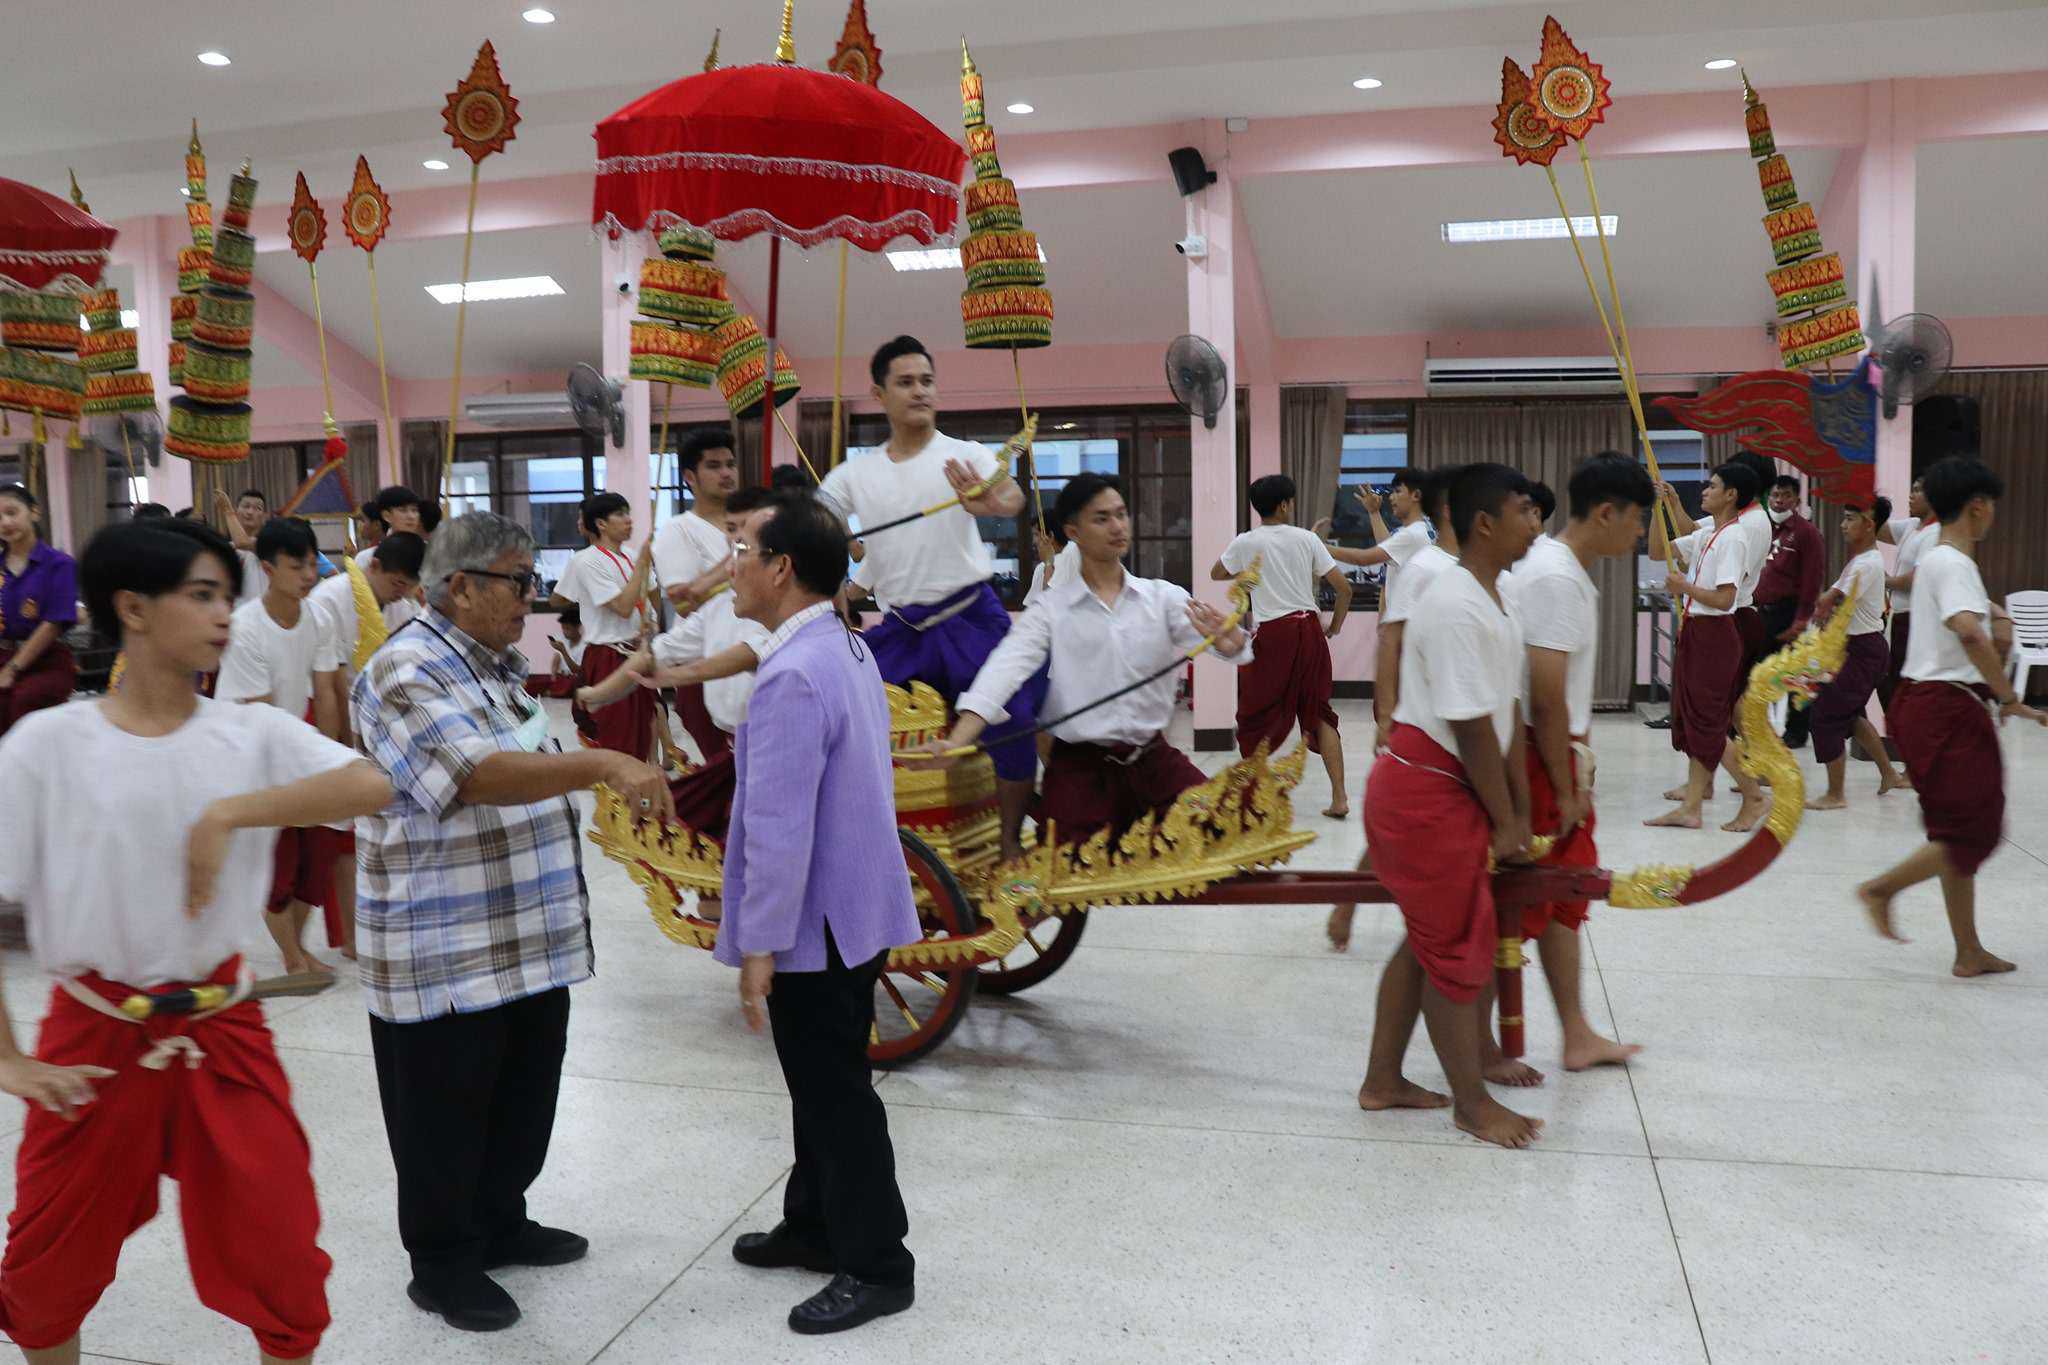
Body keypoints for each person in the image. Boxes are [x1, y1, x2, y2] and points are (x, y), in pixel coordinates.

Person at [0, 516, 394, 1365]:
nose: (225, 614)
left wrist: (232, 811)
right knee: (47, 1263)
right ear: (133, 608)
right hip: (94, 1032)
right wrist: (8, 1057)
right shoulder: (49, 745)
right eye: (203, 594)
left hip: (224, 1025)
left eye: (226, 594)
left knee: (282, 1253)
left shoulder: (247, 735)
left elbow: (371, 782)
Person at [351, 512, 672, 1333]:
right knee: (444, 1113)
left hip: (526, 936)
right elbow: (478, 774)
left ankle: (500, 1219)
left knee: (521, 1096)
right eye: (519, 583)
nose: (531, 599)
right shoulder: (406, 668)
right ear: (460, 586)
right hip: (445, 942)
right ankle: (443, 1262)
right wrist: (603, 761)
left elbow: (524, 753)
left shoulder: (495, 667)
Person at [717, 494, 922, 1335]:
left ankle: (877, 1263)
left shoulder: (793, 673)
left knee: (836, 1094)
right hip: (856, 904)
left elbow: (778, 827)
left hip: (816, 924)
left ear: (781, 568)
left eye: (741, 549)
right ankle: (812, 1223)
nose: (731, 565)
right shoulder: (842, 644)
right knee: (817, 1081)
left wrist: (760, 943)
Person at [1357, 463, 1542, 1150]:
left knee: (1429, 941)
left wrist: (1521, 809)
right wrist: (1506, 820)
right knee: (1455, 950)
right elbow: (1469, 726)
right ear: (1485, 523)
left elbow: (1507, 711)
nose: (1535, 523)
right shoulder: (1455, 602)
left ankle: (1383, 1080)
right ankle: (1471, 1104)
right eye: (1524, 511)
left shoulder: (1498, 597)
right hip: (1426, 790)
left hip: (1453, 783)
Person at [926, 474, 1252, 844]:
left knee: (1229, 831)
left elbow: (1230, 647)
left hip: (1154, 762)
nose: (1117, 526)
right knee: (1065, 871)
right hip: (1081, 771)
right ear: (1073, 532)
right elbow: (1001, 674)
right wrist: (956, 741)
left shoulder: (1163, 598)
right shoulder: (1050, 610)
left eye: (1121, 514)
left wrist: (1231, 642)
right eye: (1101, 518)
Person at [817, 335, 1042, 860]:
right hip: (903, 628)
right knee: (839, 710)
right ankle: (862, 837)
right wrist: (829, 567)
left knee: (1014, 719)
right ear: (879, 394)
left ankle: (1010, 841)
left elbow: (1010, 496)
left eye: (927, 381)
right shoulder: (856, 473)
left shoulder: (964, 454)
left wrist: (991, 501)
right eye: (905, 382)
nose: (920, 391)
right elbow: (817, 516)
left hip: (971, 619)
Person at [1858, 459, 2046, 973]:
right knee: (1974, 831)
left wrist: (1997, 619)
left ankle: (1968, 950)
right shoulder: (1954, 562)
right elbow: (1969, 632)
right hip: (1946, 707)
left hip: (1927, 704)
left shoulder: (1939, 559)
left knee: (1955, 829)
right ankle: (1881, 889)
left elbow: (1975, 620)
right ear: (1978, 506)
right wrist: (2008, 697)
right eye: (1992, 507)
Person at [1510, 454, 1653, 1076]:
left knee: (1564, 890)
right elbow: (1545, 696)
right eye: (1638, 519)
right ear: (1606, 513)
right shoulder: (1555, 577)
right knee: (1543, 888)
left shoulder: (1558, 569)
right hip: (1540, 755)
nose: (1641, 533)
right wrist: (1565, 783)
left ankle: (1576, 1031)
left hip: (1554, 753)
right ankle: (1503, 1039)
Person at [583, 489, 780, 921]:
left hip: (778, 760)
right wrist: (597, 693)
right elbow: (659, 650)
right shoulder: (722, 604)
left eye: (747, 539)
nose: (735, 546)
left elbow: (754, 651)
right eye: (732, 533)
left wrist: (679, 675)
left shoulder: (787, 607)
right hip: (735, 745)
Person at [1325, 466, 1463, 953]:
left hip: (1431, 686)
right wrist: (1387, 716)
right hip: (1416, 683)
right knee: (1403, 810)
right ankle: (1362, 905)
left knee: (1417, 816)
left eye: (1396, 491)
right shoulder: (1425, 549)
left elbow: (1372, 555)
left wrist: (1320, 549)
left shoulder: (1425, 544)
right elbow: (1385, 554)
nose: (1391, 497)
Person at [214, 517, 344, 981]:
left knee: (319, 852)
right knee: (280, 862)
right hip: (248, 747)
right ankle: (291, 957)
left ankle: (299, 946)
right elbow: (259, 713)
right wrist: (295, 772)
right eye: (296, 566)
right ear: (267, 569)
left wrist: (330, 761)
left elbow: (326, 693)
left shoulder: (319, 617)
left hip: (294, 741)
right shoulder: (244, 628)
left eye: (312, 564)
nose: (309, 575)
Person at [305, 532, 427, 961]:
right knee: (342, 838)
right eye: (396, 584)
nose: (401, 594)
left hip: (385, 726)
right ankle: (351, 936)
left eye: (408, 587)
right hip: (334, 721)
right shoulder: (329, 598)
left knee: (391, 830)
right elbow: (328, 682)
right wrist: (340, 745)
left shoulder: (403, 604)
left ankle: (391, 921)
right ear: (373, 566)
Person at [1212, 473, 1348, 817]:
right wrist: (1334, 626)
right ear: (1285, 504)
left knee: (1255, 716)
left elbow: (1217, 573)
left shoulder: (1246, 542)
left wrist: (1248, 571)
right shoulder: (1307, 539)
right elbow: (1344, 589)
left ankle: (1254, 800)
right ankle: (1339, 798)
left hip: (1274, 635)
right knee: (1319, 712)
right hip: (1310, 631)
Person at [1645, 463, 1768, 831]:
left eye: (1712, 486)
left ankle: (1754, 795)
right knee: (1698, 721)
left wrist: (1685, 588)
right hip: (1697, 630)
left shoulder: (1734, 538)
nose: (1705, 491)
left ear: (1731, 495)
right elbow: (1658, 551)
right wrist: (1658, 508)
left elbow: (1726, 599)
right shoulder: (1707, 536)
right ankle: (1692, 807)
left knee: (1709, 724)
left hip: (1715, 634)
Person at [1804, 498, 1911, 809]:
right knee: (1849, 715)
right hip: (1856, 647)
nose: (1843, 525)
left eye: (1850, 518)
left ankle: (1835, 794)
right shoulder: (1861, 561)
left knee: (1825, 714)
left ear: (1869, 524)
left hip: (1862, 650)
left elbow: (1828, 601)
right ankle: (1889, 773)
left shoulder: (1866, 565)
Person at [652, 426, 744, 759]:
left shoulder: (750, 524)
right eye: (714, 466)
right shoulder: (677, 531)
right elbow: (684, 604)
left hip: (753, 655)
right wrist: (738, 564)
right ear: (690, 476)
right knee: (726, 769)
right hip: (703, 663)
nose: (726, 473)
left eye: (730, 464)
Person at [551, 491, 658, 760]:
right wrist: (642, 564)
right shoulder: (586, 560)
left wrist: (651, 624)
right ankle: (616, 785)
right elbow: (622, 607)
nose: (629, 520)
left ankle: (644, 778)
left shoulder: (630, 555)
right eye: (620, 514)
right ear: (601, 524)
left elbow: (649, 595)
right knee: (618, 736)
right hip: (608, 655)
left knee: (644, 729)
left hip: (638, 651)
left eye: (628, 513)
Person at [0, 483, 78, 736]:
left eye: (12, 512)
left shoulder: (60, 564)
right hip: (2, 654)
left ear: (34, 512)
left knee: (25, 701)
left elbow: (54, 623)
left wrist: (12, 669)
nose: (5, 522)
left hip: (47, 659)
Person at [1755, 474, 1825, 747]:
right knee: (1759, 671)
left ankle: (1797, 731)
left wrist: (1802, 619)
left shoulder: (1807, 533)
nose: (1779, 501)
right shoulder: (1763, 527)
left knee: (1796, 674)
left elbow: (1812, 579)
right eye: (1775, 495)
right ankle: (1759, 728)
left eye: (1786, 495)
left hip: (1791, 611)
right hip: (1762, 612)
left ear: (1796, 500)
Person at [1876, 476, 1938, 710]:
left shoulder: (1934, 533)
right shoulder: (1912, 525)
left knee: (1901, 685)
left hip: (1913, 618)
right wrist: (1863, 502)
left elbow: (1917, 580)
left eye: (1918, 490)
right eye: (1912, 489)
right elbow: (1879, 530)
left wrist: (1885, 581)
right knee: (1887, 680)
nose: (1911, 495)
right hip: (1896, 616)